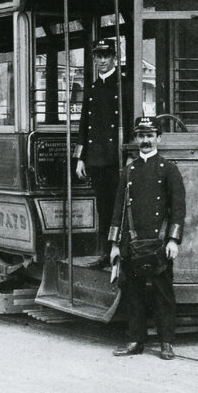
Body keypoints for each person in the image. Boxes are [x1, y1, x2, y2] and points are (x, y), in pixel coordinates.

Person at [108, 116, 186, 360]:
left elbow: (178, 208)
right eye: (141, 136)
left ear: (158, 139)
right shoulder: (129, 171)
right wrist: (114, 245)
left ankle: (166, 343)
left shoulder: (169, 169)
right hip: (132, 242)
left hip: (159, 243)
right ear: (136, 139)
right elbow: (119, 210)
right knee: (134, 294)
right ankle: (135, 341)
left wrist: (173, 240)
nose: (145, 140)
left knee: (164, 293)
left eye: (150, 136)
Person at [74, 38, 130, 266]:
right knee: (104, 208)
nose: (102, 61)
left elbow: (133, 120)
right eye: (98, 56)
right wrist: (80, 158)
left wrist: (129, 156)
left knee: (120, 209)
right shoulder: (93, 88)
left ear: (114, 58)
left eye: (106, 56)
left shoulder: (124, 86)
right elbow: (84, 125)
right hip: (97, 160)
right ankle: (107, 253)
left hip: (117, 159)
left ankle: (122, 253)